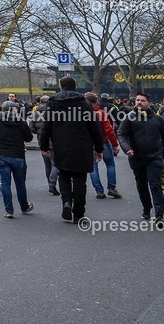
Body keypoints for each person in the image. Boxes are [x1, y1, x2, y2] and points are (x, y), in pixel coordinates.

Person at [39, 76, 104, 223]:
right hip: (82, 147)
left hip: (61, 146)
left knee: (64, 175)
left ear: (61, 87)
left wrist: (44, 146)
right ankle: (79, 213)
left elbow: (46, 127)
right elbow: (95, 128)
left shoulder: (53, 103)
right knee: (80, 180)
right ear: (75, 87)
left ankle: (66, 202)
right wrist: (99, 148)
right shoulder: (84, 104)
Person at [117, 92, 164, 225]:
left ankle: (159, 215)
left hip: (155, 158)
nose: (139, 102)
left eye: (142, 100)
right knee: (141, 185)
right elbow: (121, 134)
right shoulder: (129, 118)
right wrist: (127, 148)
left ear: (149, 103)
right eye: (137, 100)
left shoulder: (158, 119)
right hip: (136, 158)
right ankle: (147, 208)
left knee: (155, 185)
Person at [0, 101, 34, 218]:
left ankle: (9, 210)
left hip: (2, 155)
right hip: (18, 155)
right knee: (20, 184)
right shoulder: (20, 122)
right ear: (14, 110)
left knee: (5, 184)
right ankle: (24, 207)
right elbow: (29, 138)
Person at [85, 92, 122, 201]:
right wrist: (115, 144)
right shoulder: (100, 113)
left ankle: (99, 191)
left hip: (88, 143)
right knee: (110, 164)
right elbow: (109, 130)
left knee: (93, 167)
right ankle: (112, 188)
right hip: (104, 141)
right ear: (96, 101)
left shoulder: (81, 113)